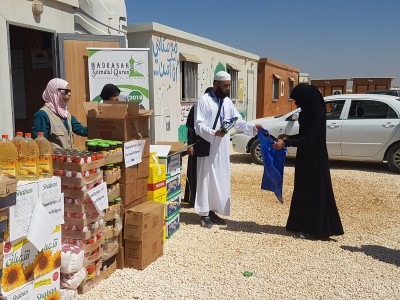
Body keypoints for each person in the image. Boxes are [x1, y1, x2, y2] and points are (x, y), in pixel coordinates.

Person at [272, 84, 344, 240]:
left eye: (298, 100)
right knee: (303, 189)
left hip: (315, 158)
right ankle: (301, 224)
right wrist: (288, 137)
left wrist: (285, 143)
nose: (297, 104)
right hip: (305, 156)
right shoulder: (307, 112)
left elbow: (310, 139)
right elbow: (305, 133)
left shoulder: (318, 113)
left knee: (315, 191)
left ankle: (317, 230)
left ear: (306, 98)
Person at [194, 71, 262, 228]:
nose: (228, 89)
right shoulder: (203, 101)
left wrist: (252, 128)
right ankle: (204, 214)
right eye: (225, 86)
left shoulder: (227, 103)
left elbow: (237, 122)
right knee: (206, 178)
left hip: (222, 148)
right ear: (216, 84)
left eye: (229, 86)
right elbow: (199, 125)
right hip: (208, 145)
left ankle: (213, 210)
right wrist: (213, 133)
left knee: (220, 178)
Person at [32, 78, 87, 149]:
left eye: (70, 91)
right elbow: (40, 144)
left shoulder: (65, 114)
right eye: (66, 91)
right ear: (55, 92)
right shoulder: (42, 115)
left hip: (67, 158)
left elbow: (80, 130)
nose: (69, 94)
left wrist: (98, 127)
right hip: (53, 159)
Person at [184, 87, 213, 207]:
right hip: (197, 146)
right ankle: (192, 199)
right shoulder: (196, 107)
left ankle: (207, 200)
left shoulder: (214, 109)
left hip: (210, 147)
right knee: (194, 172)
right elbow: (190, 128)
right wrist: (190, 145)